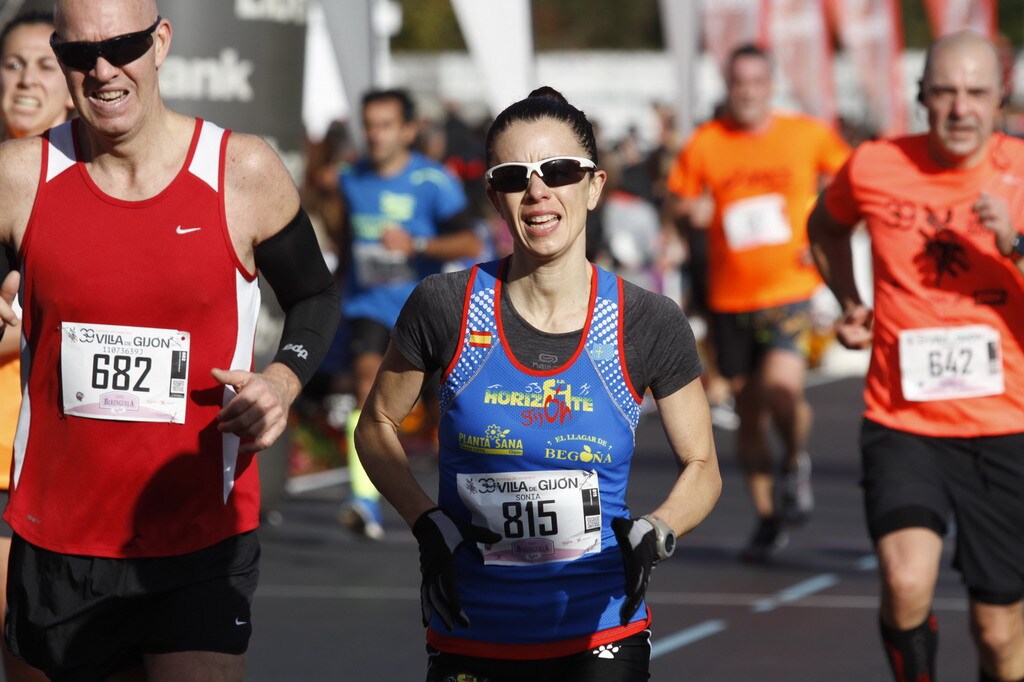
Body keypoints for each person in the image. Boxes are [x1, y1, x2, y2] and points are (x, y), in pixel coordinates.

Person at [0, 1, 340, 679]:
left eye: (122, 45)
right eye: (78, 54)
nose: (102, 71)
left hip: (199, 534)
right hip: (57, 534)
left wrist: (281, 381)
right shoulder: (17, 177)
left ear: (160, 43)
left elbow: (315, 296)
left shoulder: (240, 170)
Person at [354, 86, 721, 681]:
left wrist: (659, 528)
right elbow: (376, 425)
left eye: (558, 170)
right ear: (494, 197)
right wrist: (427, 522)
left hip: (601, 630)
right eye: (514, 176)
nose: (538, 191)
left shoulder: (648, 320)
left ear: (595, 186)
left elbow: (702, 462)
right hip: (473, 629)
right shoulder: (445, 306)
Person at [808, 31, 1024, 682]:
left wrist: (1015, 243)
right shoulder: (875, 164)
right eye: (946, 92)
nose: (961, 109)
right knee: (905, 580)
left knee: (998, 634)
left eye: (976, 93)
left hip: (1006, 427)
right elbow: (824, 225)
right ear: (922, 97)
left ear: (1002, 99)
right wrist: (849, 299)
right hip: (904, 421)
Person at [666, 44, 851, 562]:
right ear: (728, 87)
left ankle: (794, 460)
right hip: (729, 301)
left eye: (755, 82)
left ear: (771, 85)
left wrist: (821, 225)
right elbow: (678, 199)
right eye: (738, 82)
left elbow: (850, 180)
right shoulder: (706, 143)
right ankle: (769, 517)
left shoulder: (805, 134)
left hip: (788, 291)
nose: (747, 91)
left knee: (782, 390)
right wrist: (689, 212)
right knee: (748, 417)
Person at [337, 88, 480, 539]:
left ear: (408, 130)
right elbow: (346, 240)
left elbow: (471, 243)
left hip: (425, 312)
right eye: (370, 125)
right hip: (368, 306)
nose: (375, 135)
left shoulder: (434, 182)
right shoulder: (351, 178)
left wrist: (416, 245)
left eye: (385, 126)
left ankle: (458, 510)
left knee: (446, 416)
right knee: (367, 386)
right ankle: (364, 500)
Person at [0, 11, 71, 681]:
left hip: (53, 457)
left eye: (45, 64)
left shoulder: (92, 182)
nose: (26, 80)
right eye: (14, 64)